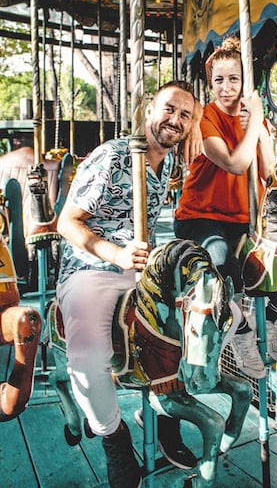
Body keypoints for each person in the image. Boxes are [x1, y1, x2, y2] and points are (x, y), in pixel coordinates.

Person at [56, 81, 202, 488]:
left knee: (216, 319)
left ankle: (164, 409)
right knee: (87, 358)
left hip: (142, 270)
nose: (175, 120)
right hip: (92, 266)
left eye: (185, 115)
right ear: (150, 108)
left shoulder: (170, 164)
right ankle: (113, 437)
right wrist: (115, 254)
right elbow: (67, 223)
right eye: (169, 109)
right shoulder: (113, 155)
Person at [174, 36, 277, 378]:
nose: (227, 87)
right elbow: (233, 162)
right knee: (220, 262)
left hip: (246, 218)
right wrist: (256, 122)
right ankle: (242, 334)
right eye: (219, 80)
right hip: (201, 218)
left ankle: (274, 321)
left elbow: (270, 171)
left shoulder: (258, 121)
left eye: (234, 79)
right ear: (210, 83)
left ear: (246, 81)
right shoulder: (207, 120)